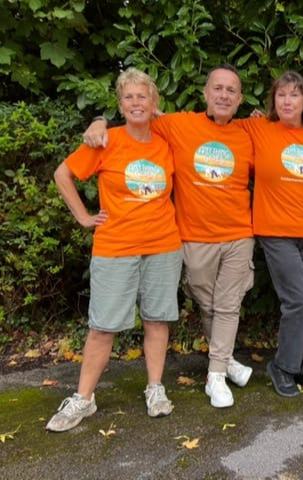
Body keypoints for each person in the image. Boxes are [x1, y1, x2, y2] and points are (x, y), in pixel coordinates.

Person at [82, 65, 255, 409]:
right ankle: (225, 357)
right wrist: (99, 119)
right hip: (194, 236)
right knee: (208, 302)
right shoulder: (178, 124)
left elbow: (283, 128)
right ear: (205, 93)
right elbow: (137, 114)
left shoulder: (251, 130)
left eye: (231, 91)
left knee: (228, 304)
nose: (223, 95)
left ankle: (216, 375)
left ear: (240, 99)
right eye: (217, 88)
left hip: (239, 233)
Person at [46, 68, 183, 432]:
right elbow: (63, 174)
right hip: (115, 246)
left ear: (154, 103)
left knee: (157, 319)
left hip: (163, 246)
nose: (136, 103)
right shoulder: (107, 140)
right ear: (120, 104)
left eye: (143, 96)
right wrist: (84, 217)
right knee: (102, 327)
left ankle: (155, 388)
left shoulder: (168, 141)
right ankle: (84, 398)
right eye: (128, 97)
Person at [240, 71, 303, 398]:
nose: (287, 101)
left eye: (294, 95)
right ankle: (283, 366)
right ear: (273, 101)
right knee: (298, 300)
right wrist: (101, 120)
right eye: (281, 95)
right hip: (276, 231)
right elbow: (209, 129)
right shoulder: (258, 128)